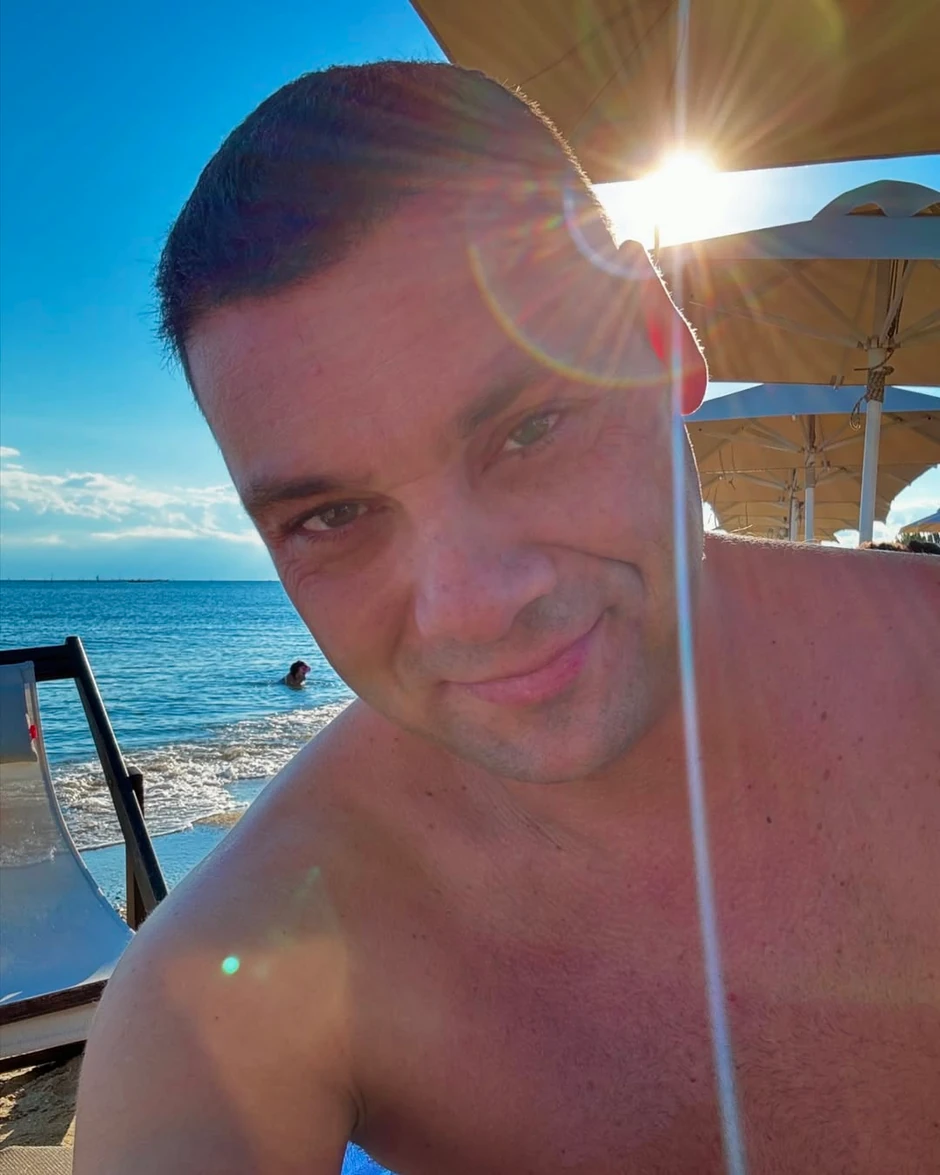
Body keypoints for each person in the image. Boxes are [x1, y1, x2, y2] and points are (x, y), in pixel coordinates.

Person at [75, 63, 940, 1175]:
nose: (470, 607)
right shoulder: (232, 976)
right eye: (333, 515)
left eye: (529, 428)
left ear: (660, 333)